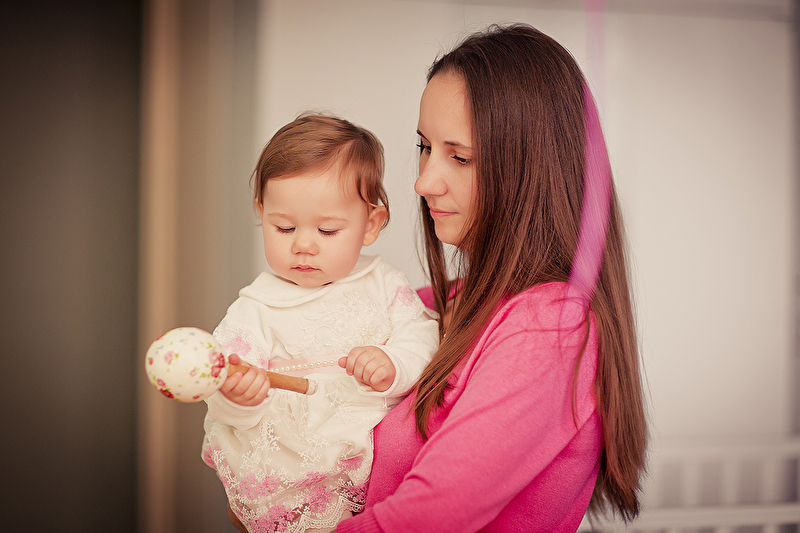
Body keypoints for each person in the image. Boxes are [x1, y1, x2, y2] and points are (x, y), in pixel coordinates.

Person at [334, 23, 647, 532]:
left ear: (530, 169)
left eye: (459, 157)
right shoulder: (428, 304)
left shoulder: (550, 326)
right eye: (424, 146)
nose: (423, 182)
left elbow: (429, 518)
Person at [203, 113, 439, 533]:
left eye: (327, 230)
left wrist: (393, 363)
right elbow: (225, 376)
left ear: (370, 225)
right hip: (291, 471)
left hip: (371, 469)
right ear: (261, 212)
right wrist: (238, 395)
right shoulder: (255, 307)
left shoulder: (384, 284)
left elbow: (422, 336)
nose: (303, 244)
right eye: (284, 227)